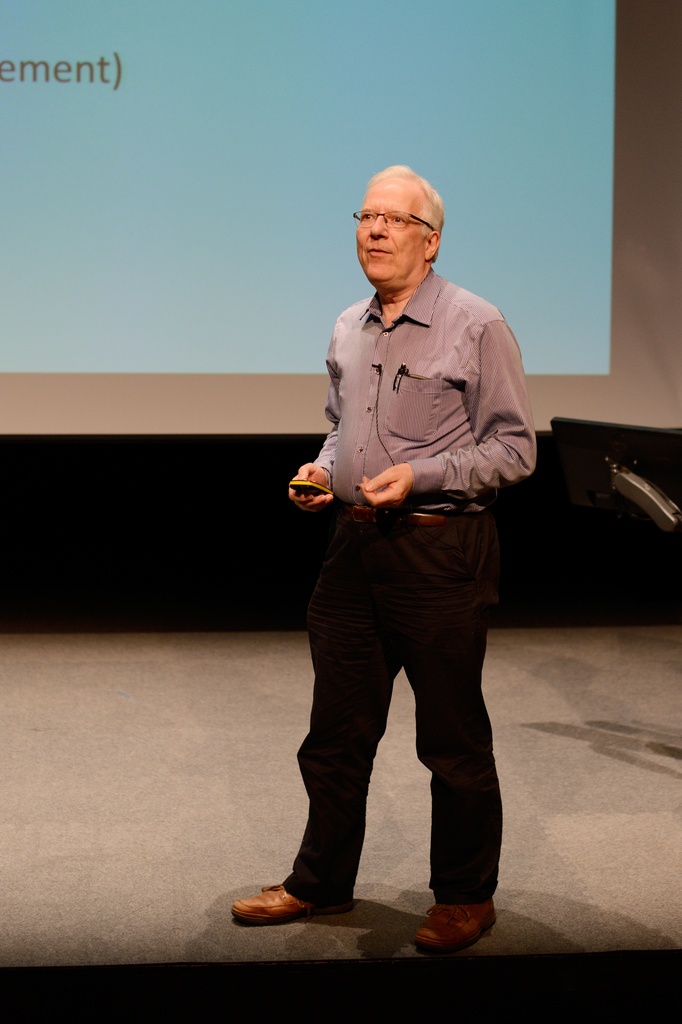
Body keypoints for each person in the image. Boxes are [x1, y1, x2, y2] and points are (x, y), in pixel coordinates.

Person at [232, 166, 536, 952]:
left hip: (439, 551)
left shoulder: (476, 323)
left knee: (450, 739)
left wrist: (421, 476)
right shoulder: (348, 324)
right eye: (366, 215)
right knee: (334, 734)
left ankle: (465, 896)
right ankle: (320, 881)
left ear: (430, 242)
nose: (375, 230)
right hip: (352, 548)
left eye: (395, 219)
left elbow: (514, 449)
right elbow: (343, 428)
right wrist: (321, 471)